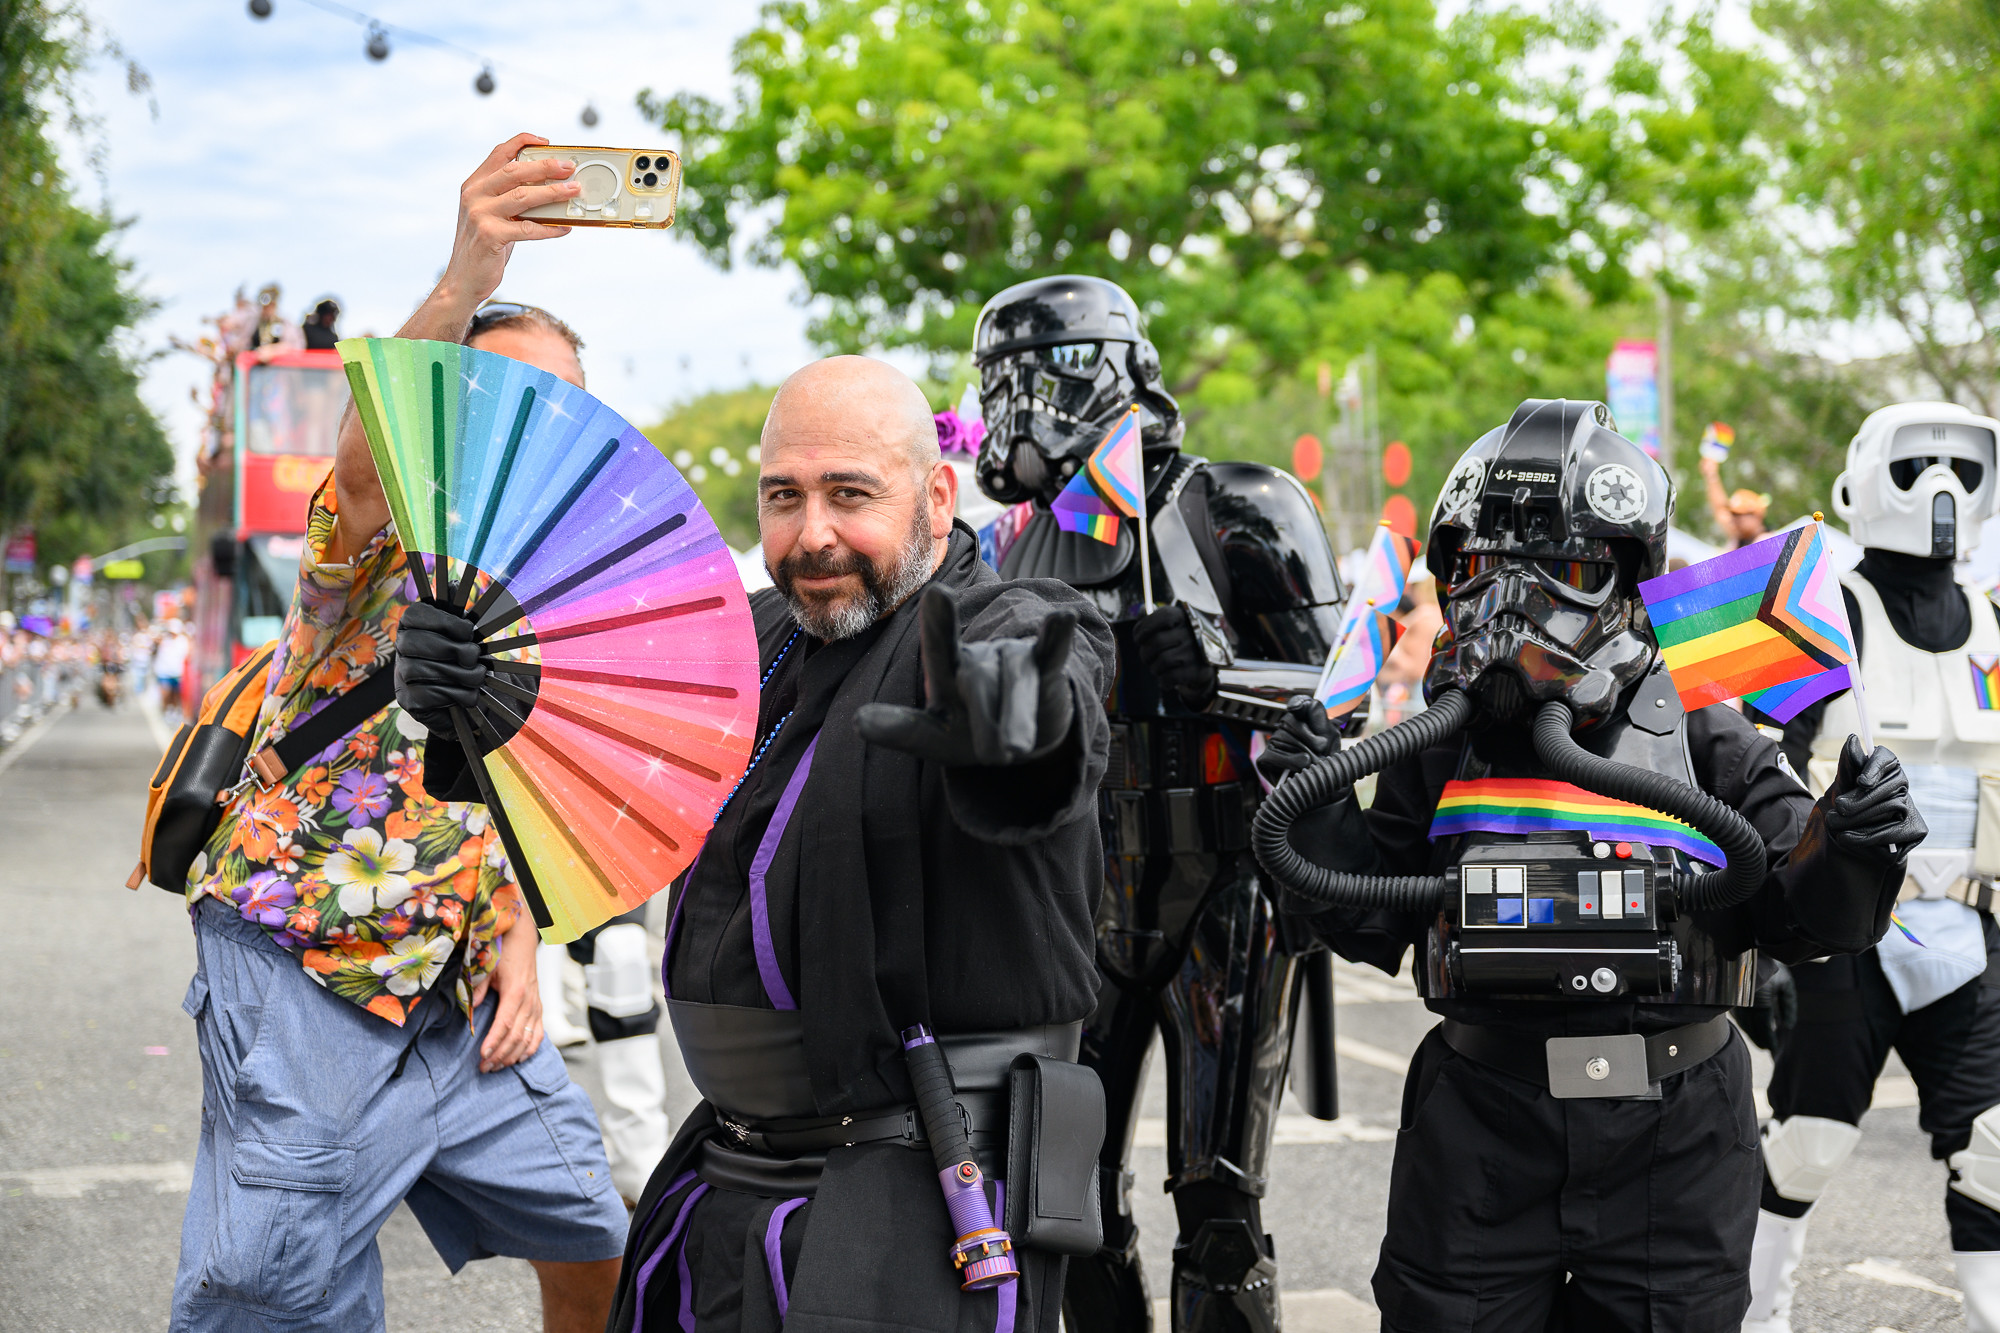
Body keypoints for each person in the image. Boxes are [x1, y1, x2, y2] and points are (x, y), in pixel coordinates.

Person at [391, 134, 1118, 1332]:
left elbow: (1050, 713)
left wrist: (1015, 723)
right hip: (729, 1173)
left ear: (936, 496)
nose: (812, 532)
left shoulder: (1008, 617)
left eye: (850, 493)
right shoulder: (749, 630)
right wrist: (469, 692)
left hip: (920, 1198)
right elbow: (575, 738)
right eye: (784, 496)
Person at [1254, 397, 1923, 1331]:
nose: (1514, 598)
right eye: (1485, 568)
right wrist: (1315, 803)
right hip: (1482, 1126)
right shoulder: (1441, 742)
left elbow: (1803, 916)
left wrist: (1849, 841)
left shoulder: (1707, 730)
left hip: (1677, 1139)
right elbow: (1369, 918)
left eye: (1560, 568)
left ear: (1623, 578)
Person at [168, 134, 631, 1333]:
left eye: (564, 408)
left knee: (596, 1229)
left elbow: (517, 792)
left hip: (460, 988)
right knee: (275, 1298)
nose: (537, 424)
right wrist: (467, 276)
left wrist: (517, 933)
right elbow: (362, 459)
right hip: (301, 964)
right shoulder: (376, 528)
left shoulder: (563, 581)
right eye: (500, 397)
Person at [969, 275, 1347, 1332]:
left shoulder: (1240, 505)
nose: (1017, 406)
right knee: (1063, 1198)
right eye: (998, 381)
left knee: (1219, 1201)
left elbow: (1340, 702)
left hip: (1225, 889)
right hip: (1076, 893)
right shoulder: (1007, 545)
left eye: (1041, 376)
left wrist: (1214, 672)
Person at [1744, 400, 2000, 1333]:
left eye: (1960, 465)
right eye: (1918, 461)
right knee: (1806, 1144)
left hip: (1971, 925)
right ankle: (1756, 1316)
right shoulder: (1819, 618)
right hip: (1843, 928)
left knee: (1998, 1148)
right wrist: (1763, 936)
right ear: (1861, 481)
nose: (1940, 486)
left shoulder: (1994, 621)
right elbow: (1751, 767)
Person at [1702, 446, 1771, 548]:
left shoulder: (1767, 541)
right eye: (1734, 515)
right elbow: (1720, 508)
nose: (1735, 520)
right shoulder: (1738, 539)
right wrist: (1711, 475)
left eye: (1740, 515)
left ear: (1757, 516)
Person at [150, 617, 188, 717]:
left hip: (178, 672)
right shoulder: (164, 640)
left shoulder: (183, 641)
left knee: (175, 695)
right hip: (163, 671)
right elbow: (153, 643)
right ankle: (165, 710)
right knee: (165, 692)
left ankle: (174, 711)